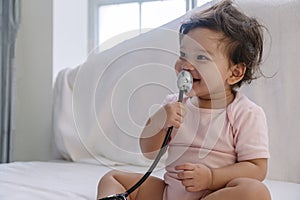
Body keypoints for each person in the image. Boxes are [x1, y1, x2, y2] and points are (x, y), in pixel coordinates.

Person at [97, 0, 271, 199]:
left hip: (215, 194)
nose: (186, 65)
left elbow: (257, 168)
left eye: (201, 58)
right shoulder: (174, 105)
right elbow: (149, 152)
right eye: (183, 55)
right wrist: (159, 121)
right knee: (114, 178)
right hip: (169, 193)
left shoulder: (246, 113)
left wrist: (212, 177)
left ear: (235, 72)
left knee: (255, 192)